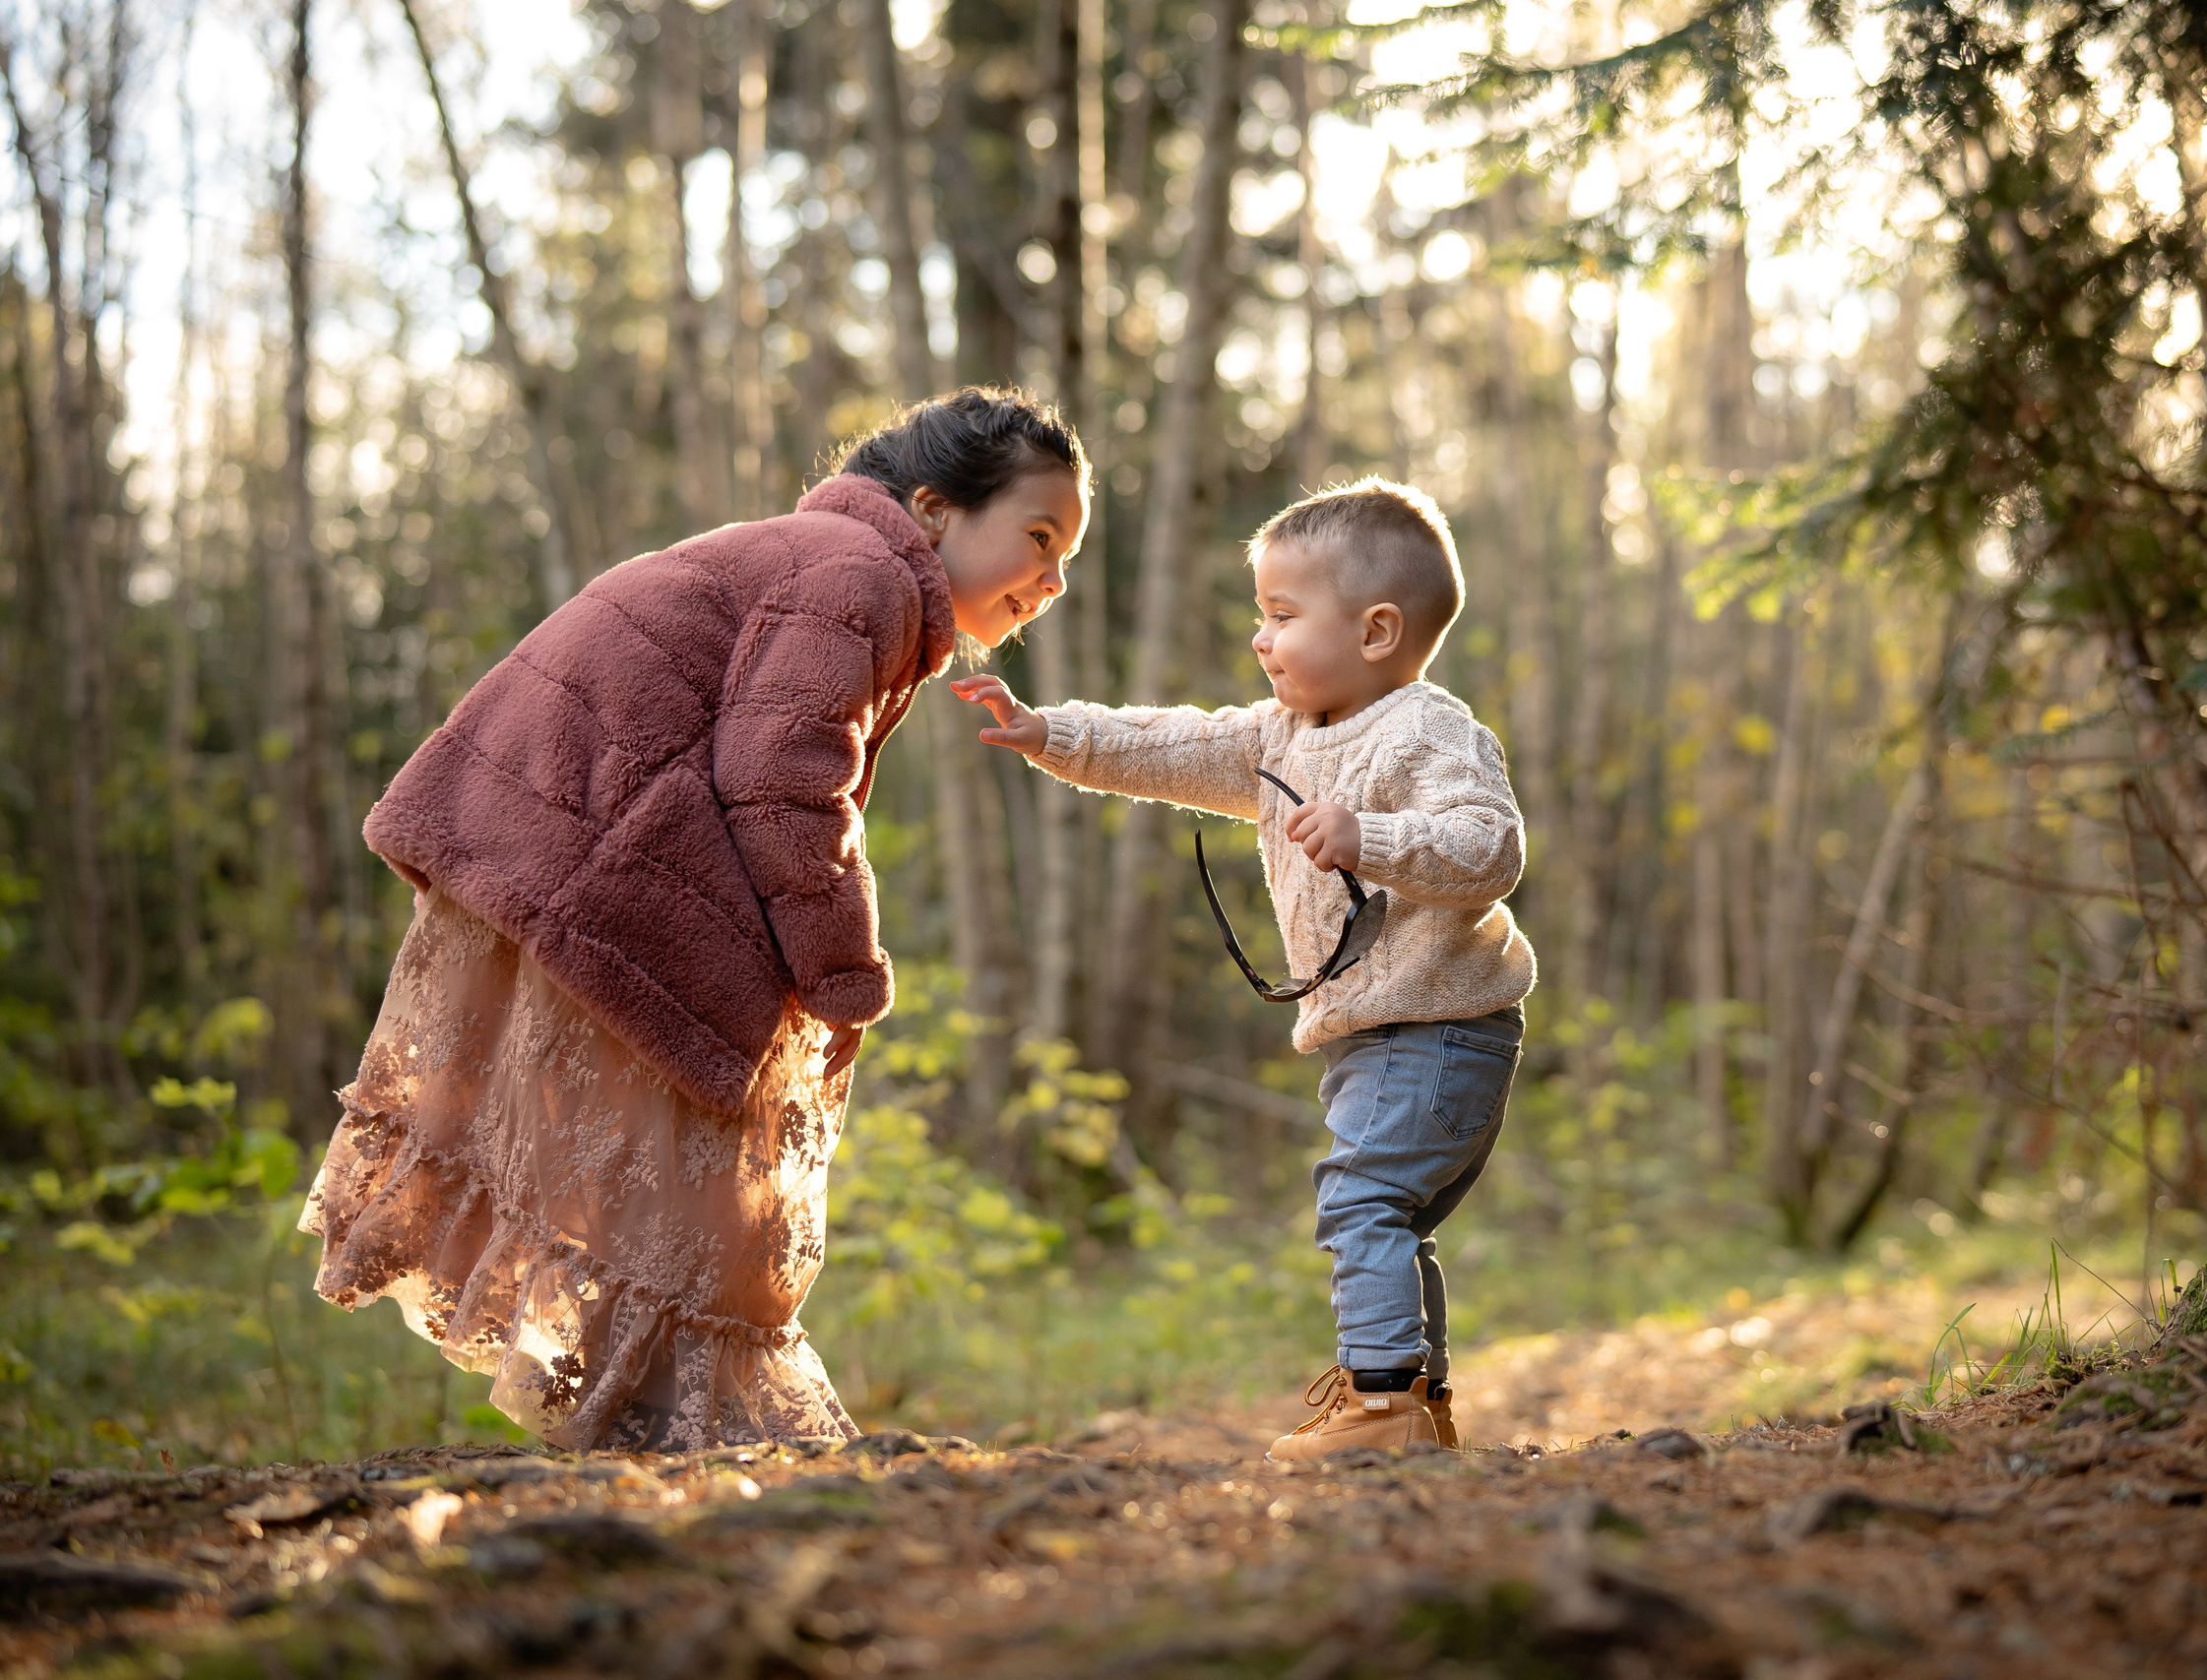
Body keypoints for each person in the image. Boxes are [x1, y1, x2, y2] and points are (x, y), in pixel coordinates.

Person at [298, 388, 1087, 1452]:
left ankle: (671, 1437)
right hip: (588, 867)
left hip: (569, 857)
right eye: (1038, 539)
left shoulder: (836, 564)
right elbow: (780, 782)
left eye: (1066, 561)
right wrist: (845, 973)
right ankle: (696, 1444)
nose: (1051, 582)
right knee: (707, 1194)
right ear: (937, 510)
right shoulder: (855, 577)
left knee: (679, 1188)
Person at [957, 477, 1534, 1463]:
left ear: (1376, 631)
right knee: (1386, 1215)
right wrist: (1048, 732)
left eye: (1280, 616)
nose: (1260, 640)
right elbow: (1169, 742)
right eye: (1259, 617)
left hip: (1440, 1027)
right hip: (1374, 1032)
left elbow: (1491, 849)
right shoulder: (1278, 736)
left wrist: (1370, 835)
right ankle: (1412, 1402)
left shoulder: (1428, 733)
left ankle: (1383, 1406)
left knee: (1359, 1200)